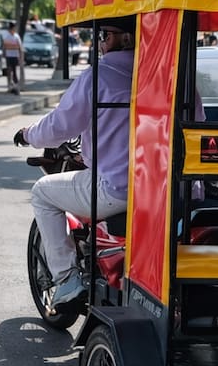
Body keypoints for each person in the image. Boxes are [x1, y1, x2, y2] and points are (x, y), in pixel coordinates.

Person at [13, 16, 137, 313]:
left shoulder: (100, 74)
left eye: (105, 35)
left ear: (127, 39)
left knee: (42, 192)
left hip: (118, 187)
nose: (101, 42)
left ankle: (67, 279)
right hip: (166, 189)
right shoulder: (168, 73)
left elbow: (60, 126)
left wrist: (28, 134)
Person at [2, 22, 24, 94]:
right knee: (9, 71)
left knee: (14, 72)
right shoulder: (6, 36)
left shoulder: (16, 36)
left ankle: (16, 87)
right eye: (14, 28)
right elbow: (4, 46)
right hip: (9, 56)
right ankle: (9, 86)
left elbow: (20, 47)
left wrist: (21, 57)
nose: (14, 29)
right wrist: (4, 55)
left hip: (15, 56)